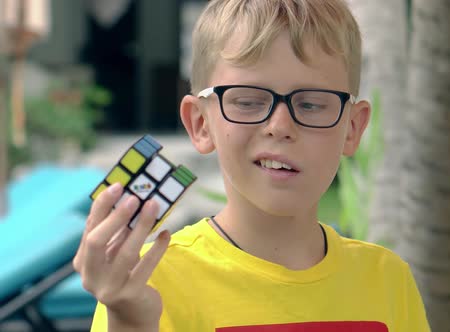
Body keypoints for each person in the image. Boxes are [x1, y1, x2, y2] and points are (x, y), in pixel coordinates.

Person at [74, 0, 431, 331]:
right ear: (200, 123)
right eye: (247, 101)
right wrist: (129, 321)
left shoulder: (387, 280)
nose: (280, 126)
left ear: (352, 128)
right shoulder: (145, 285)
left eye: (311, 104)